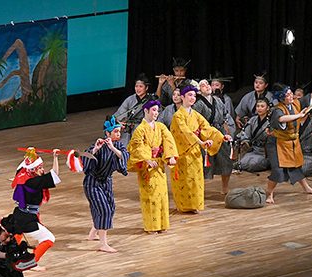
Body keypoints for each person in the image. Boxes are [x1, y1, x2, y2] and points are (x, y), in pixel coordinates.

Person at [265, 72, 312, 204]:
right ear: (281, 97)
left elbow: (311, 96)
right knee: (277, 169)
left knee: (296, 166)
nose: (291, 96)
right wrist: (298, 116)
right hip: (277, 143)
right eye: (287, 95)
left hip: (292, 142)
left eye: (290, 93)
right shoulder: (277, 109)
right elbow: (281, 118)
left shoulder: (295, 104)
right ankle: (269, 193)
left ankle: (307, 188)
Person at [170, 85, 224, 213]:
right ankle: (183, 206)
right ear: (182, 97)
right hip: (183, 151)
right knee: (185, 180)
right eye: (189, 95)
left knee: (196, 179)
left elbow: (206, 127)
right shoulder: (178, 116)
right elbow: (185, 132)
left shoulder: (195, 114)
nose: (192, 98)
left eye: (194, 95)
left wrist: (221, 137)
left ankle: (195, 205)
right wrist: (201, 142)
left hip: (195, 152)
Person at [127, 99, 178, 233]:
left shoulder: (161, 127)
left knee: (162, 195)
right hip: (147, 167)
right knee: (150, 196)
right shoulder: (140, 129)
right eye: (154, 110)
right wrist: (146, 159)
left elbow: (168, 140)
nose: (156, 113)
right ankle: (151, 226)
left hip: (159, 164)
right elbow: (137, 147)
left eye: (157, 110)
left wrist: (170, 155)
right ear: (146, 111)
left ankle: (162, 224)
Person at [83, 115, 129, 252]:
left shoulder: (118, 145)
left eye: (119, 131)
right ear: (107, 133)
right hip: (93, 183)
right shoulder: (98, 146)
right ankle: (103, 244)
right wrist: (95, 150)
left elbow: (124, 156)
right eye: (115, 132)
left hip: (106, 182)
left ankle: (92, 234)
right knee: (104, 209)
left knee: (111, 207)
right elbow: (86, 163)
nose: (118, 134)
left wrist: (113, 148)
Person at [11, 147, 60, 269]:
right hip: (27, 218)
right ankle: (30, 264)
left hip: (19, 214)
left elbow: (22, 165)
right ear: (33, 169)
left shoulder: (22, 175)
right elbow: (55, 174)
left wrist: (31, 153)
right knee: (49, 239)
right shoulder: (34, 182)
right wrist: (55, 157)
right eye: (40, 168)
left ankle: (10, 259)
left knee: (17, 234)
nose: (43, 170)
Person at [193, 79, 235, 193]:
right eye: (203, 85)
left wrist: (227, 132)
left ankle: (225, 188)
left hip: (220, 132)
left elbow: (225, 116)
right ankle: (199, 190)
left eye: (207, 83)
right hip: (205, 134)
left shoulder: (217, 100)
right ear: (198, 90)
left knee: (226, 160)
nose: (207, 86)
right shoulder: (198, 104)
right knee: (204, 163)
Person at [113, 73, 153, 146]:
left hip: (143, 128)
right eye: (136, 86)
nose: (138, 89)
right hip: (128, 128)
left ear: (146, 88)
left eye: (141, 86)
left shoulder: (151, 101)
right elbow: (119, 114)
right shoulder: (130, 99)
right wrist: (118, 121)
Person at [235, 97, 271, 173]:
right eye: (258, 106)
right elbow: (245, 133)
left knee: (252, 165)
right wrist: (245, 141)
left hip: (265, 152)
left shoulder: (270, 122)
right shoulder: (253, 119)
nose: (259, 108)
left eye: (262, 106)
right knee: (241, 163)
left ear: (267, 108)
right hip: (254, 149)